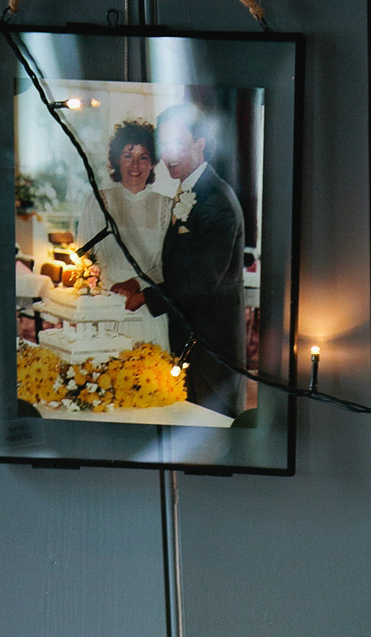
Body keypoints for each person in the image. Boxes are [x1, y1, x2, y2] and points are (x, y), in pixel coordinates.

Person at [136, 102, 246, 416]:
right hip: (193, 338)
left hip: (212, 345)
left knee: (211, 429)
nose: (168, 155)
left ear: (200, 143)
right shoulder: (192, 191)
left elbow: (203, 278)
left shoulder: (215, 200)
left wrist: (148, 296)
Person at [76, 119, 171, 293]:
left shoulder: (167, 207)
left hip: (148, 302)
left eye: (143, 157)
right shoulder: (97, 202)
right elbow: (84, 255)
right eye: (128, 156)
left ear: (152, 163)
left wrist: (138, 285)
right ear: (117, 160)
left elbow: (169, 264)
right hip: (105, 297)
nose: (135, 165)